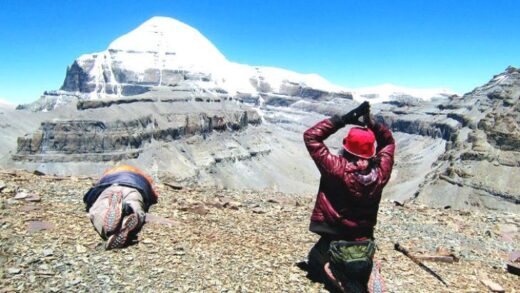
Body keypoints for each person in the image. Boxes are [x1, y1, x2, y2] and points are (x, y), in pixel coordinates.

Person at [303, 101, 395, 292]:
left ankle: (340, 272)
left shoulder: (336, 169)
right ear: (371, 152)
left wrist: (343, 119)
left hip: (335, 234)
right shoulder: (380, 174)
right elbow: (387, 143)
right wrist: (373, 124)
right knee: (356, 259)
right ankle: (364, 268)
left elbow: (311, 137)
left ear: (346, 147)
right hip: (364, 237)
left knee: (314, 261)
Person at [83, 165, 159, 250]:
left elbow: (89, 196)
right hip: (136, 188)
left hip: (110, 187)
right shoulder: (143, 176)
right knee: (136, 206)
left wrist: (89, 200)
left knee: (98, 210)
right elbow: (153, 196)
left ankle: (108, 231)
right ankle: (131, 211)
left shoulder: (107, 175)